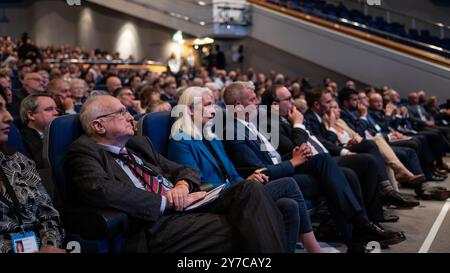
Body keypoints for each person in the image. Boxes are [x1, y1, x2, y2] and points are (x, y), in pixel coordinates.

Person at [66, 95, 288, 253]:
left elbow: (185, 170)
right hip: (154, 223)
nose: (130, 116)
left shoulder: (138, 144)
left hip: (187, 207)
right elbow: (103, 191)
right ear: (99, 126)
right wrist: (166, 201)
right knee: (248, 225)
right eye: (121, 112)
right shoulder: (84, 151)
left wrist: (182, 186)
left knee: (250, 189)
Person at [221, 82, 406, 252]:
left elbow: (274, 157)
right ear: (237, 104)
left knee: (336, 168)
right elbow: (260, 171)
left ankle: (357, 237)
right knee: (334, 171)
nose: (258, 102)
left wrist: (297, 156)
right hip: (271, 181)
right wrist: (294, 160)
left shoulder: (251, 123)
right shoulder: (233, 130)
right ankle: (360, 226)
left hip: (282, 167)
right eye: (253, 99)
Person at [168, 87, 322, 253]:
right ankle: (315, 249)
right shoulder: (180, 141)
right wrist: (242, 188)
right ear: (190, 110)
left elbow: (233, 174)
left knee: (289, 205)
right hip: (213, 199)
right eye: (208, 105)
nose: (213, 110)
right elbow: (196, 183)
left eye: (213, 104)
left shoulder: (211, 137)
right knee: (288, 184)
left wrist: (247, 182)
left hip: (232, 194)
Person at [0, 94, 65, 253]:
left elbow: (49, 216)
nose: (9, 117)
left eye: (5, 107)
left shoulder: (18, 161)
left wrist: (49, 246)